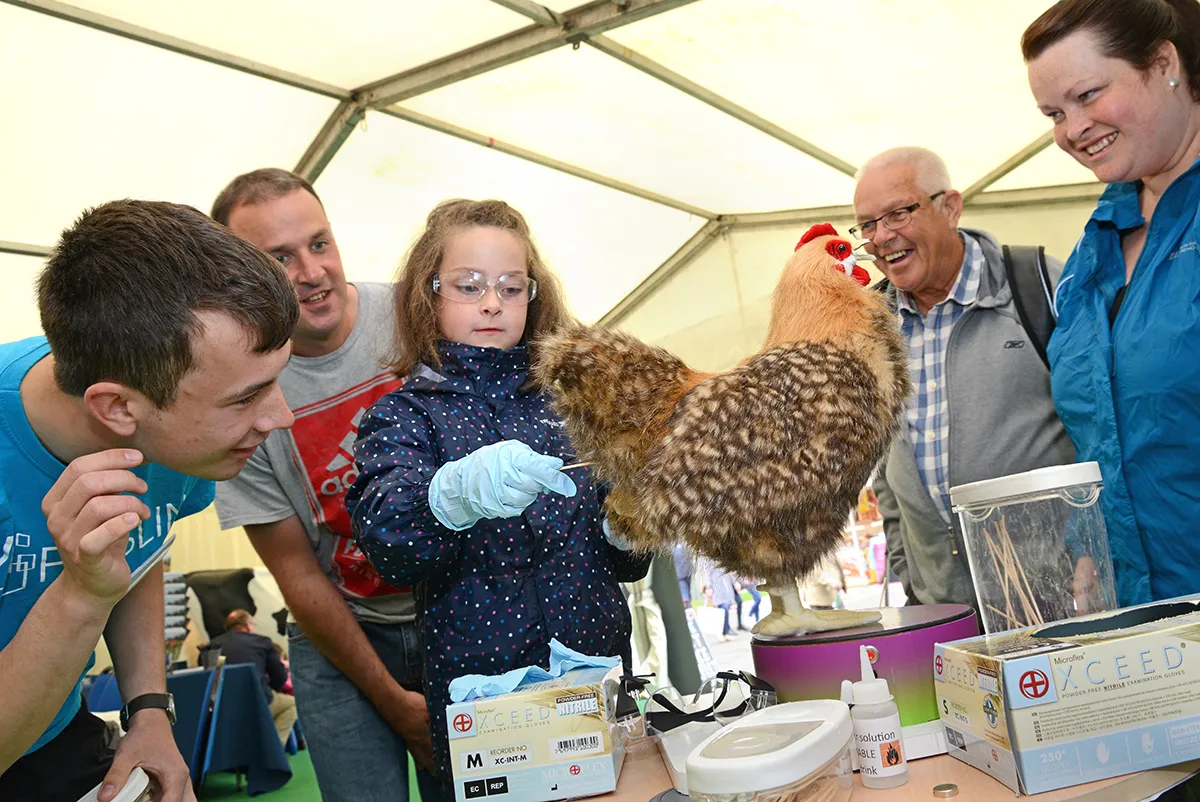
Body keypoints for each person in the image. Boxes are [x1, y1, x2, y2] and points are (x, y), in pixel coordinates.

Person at [346, 199, 651, 789]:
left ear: (534, 298)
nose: (492, 302)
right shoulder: (405, 414)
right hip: (484, 701)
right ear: (427, 294)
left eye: (512, 288)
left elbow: (626, 564)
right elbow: (389, 546)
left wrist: (628, 526)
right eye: (469, 286)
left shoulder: (576, 401)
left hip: (595, 679)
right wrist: (450, 498)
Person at [0, 200, 297, 802]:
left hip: (52, 731)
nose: (281, 417)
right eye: (245, 398)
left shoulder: (164, 423)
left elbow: (141, 549)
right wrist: (81, 593)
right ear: (116, 409)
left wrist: (150, 712)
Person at [210, 169, 441, 802]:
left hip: (456, 609)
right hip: (341, 630)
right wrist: (393, 702)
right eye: (279, 258)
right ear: (237, 278)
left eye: (319, 243)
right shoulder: (232, 387)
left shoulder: (415, 319)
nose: (312, 272)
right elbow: (297, 575)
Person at [1024, 0, 1200, 606]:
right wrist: (1088, 546)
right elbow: (1103, 433)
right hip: (1147, 625)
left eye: (1089, 95)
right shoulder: (1093, 250)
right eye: (1054, 113)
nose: (1072, 129)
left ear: (1164, 64)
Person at [853, 147, 1076, 608]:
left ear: (949, 207)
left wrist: (1087, 550)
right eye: (868, 224)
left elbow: (1104, 426)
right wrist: (911, 575)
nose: (882, 237)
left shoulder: (1038, 286)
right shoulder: (868, 326)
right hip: (944, 612)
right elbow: (884, 470)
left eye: (897, 214)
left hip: (1059, 595)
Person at [208, 610, 297, 745]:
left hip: (222, 708)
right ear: (248, 625)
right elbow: (280, 676)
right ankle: (274, 750)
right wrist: (270, 689)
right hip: (258, 701)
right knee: (292, 704)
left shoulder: (211, 646)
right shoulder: (262, 642)